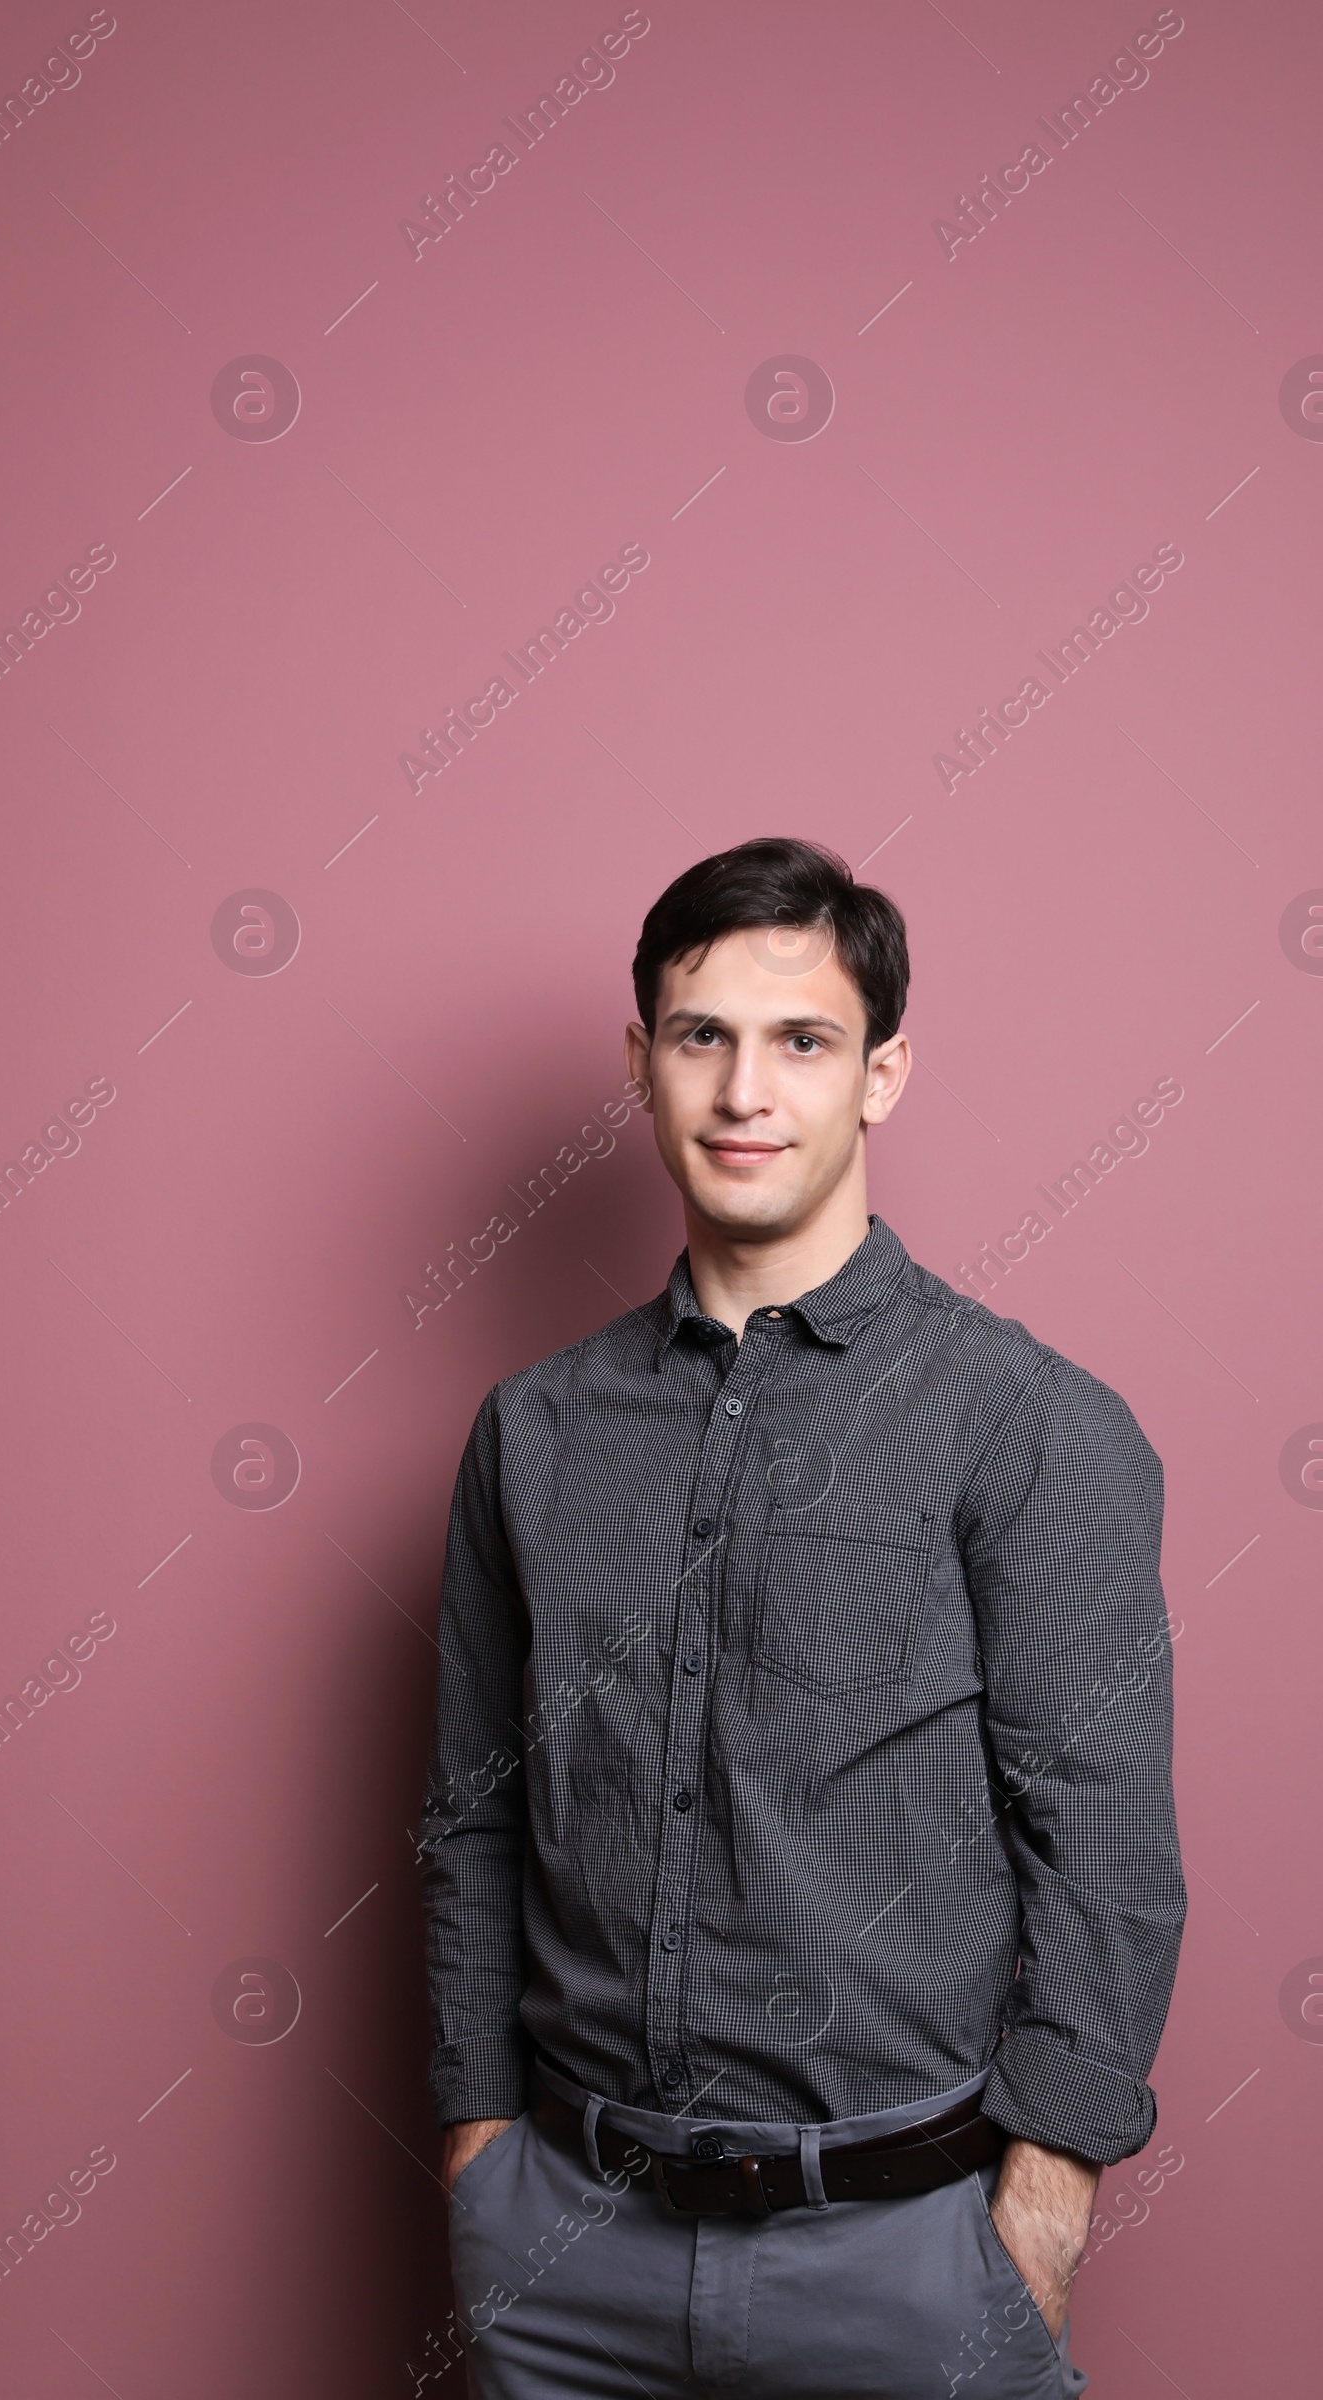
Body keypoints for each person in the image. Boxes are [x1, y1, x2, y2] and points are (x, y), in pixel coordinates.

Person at [418, 838, 1185, 2398]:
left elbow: (1107, 1850)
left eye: (803, 1041)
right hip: (565, 2257)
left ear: (882, 1075)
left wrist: (1034, 2226)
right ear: (641, 1065)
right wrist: (477, 2150)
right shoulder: (534, 1432)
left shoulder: (1024, 1421)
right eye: (702, 1037)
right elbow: (472, 1818)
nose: (743, 1092)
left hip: (907, 2264)